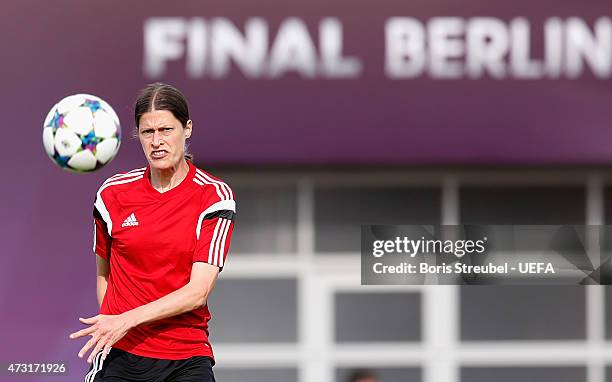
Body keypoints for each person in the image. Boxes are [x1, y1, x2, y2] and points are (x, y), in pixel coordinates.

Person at [69, 83, 236, 382]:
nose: (157, 141)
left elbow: (198, 292)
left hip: (185, 357)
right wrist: (114, 327)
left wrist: (127, 320)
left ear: (187, 129)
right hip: (121, 356)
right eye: (148, 132)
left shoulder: (214, 197)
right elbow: (104, 274)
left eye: (166, 130)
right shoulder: (112, 194)